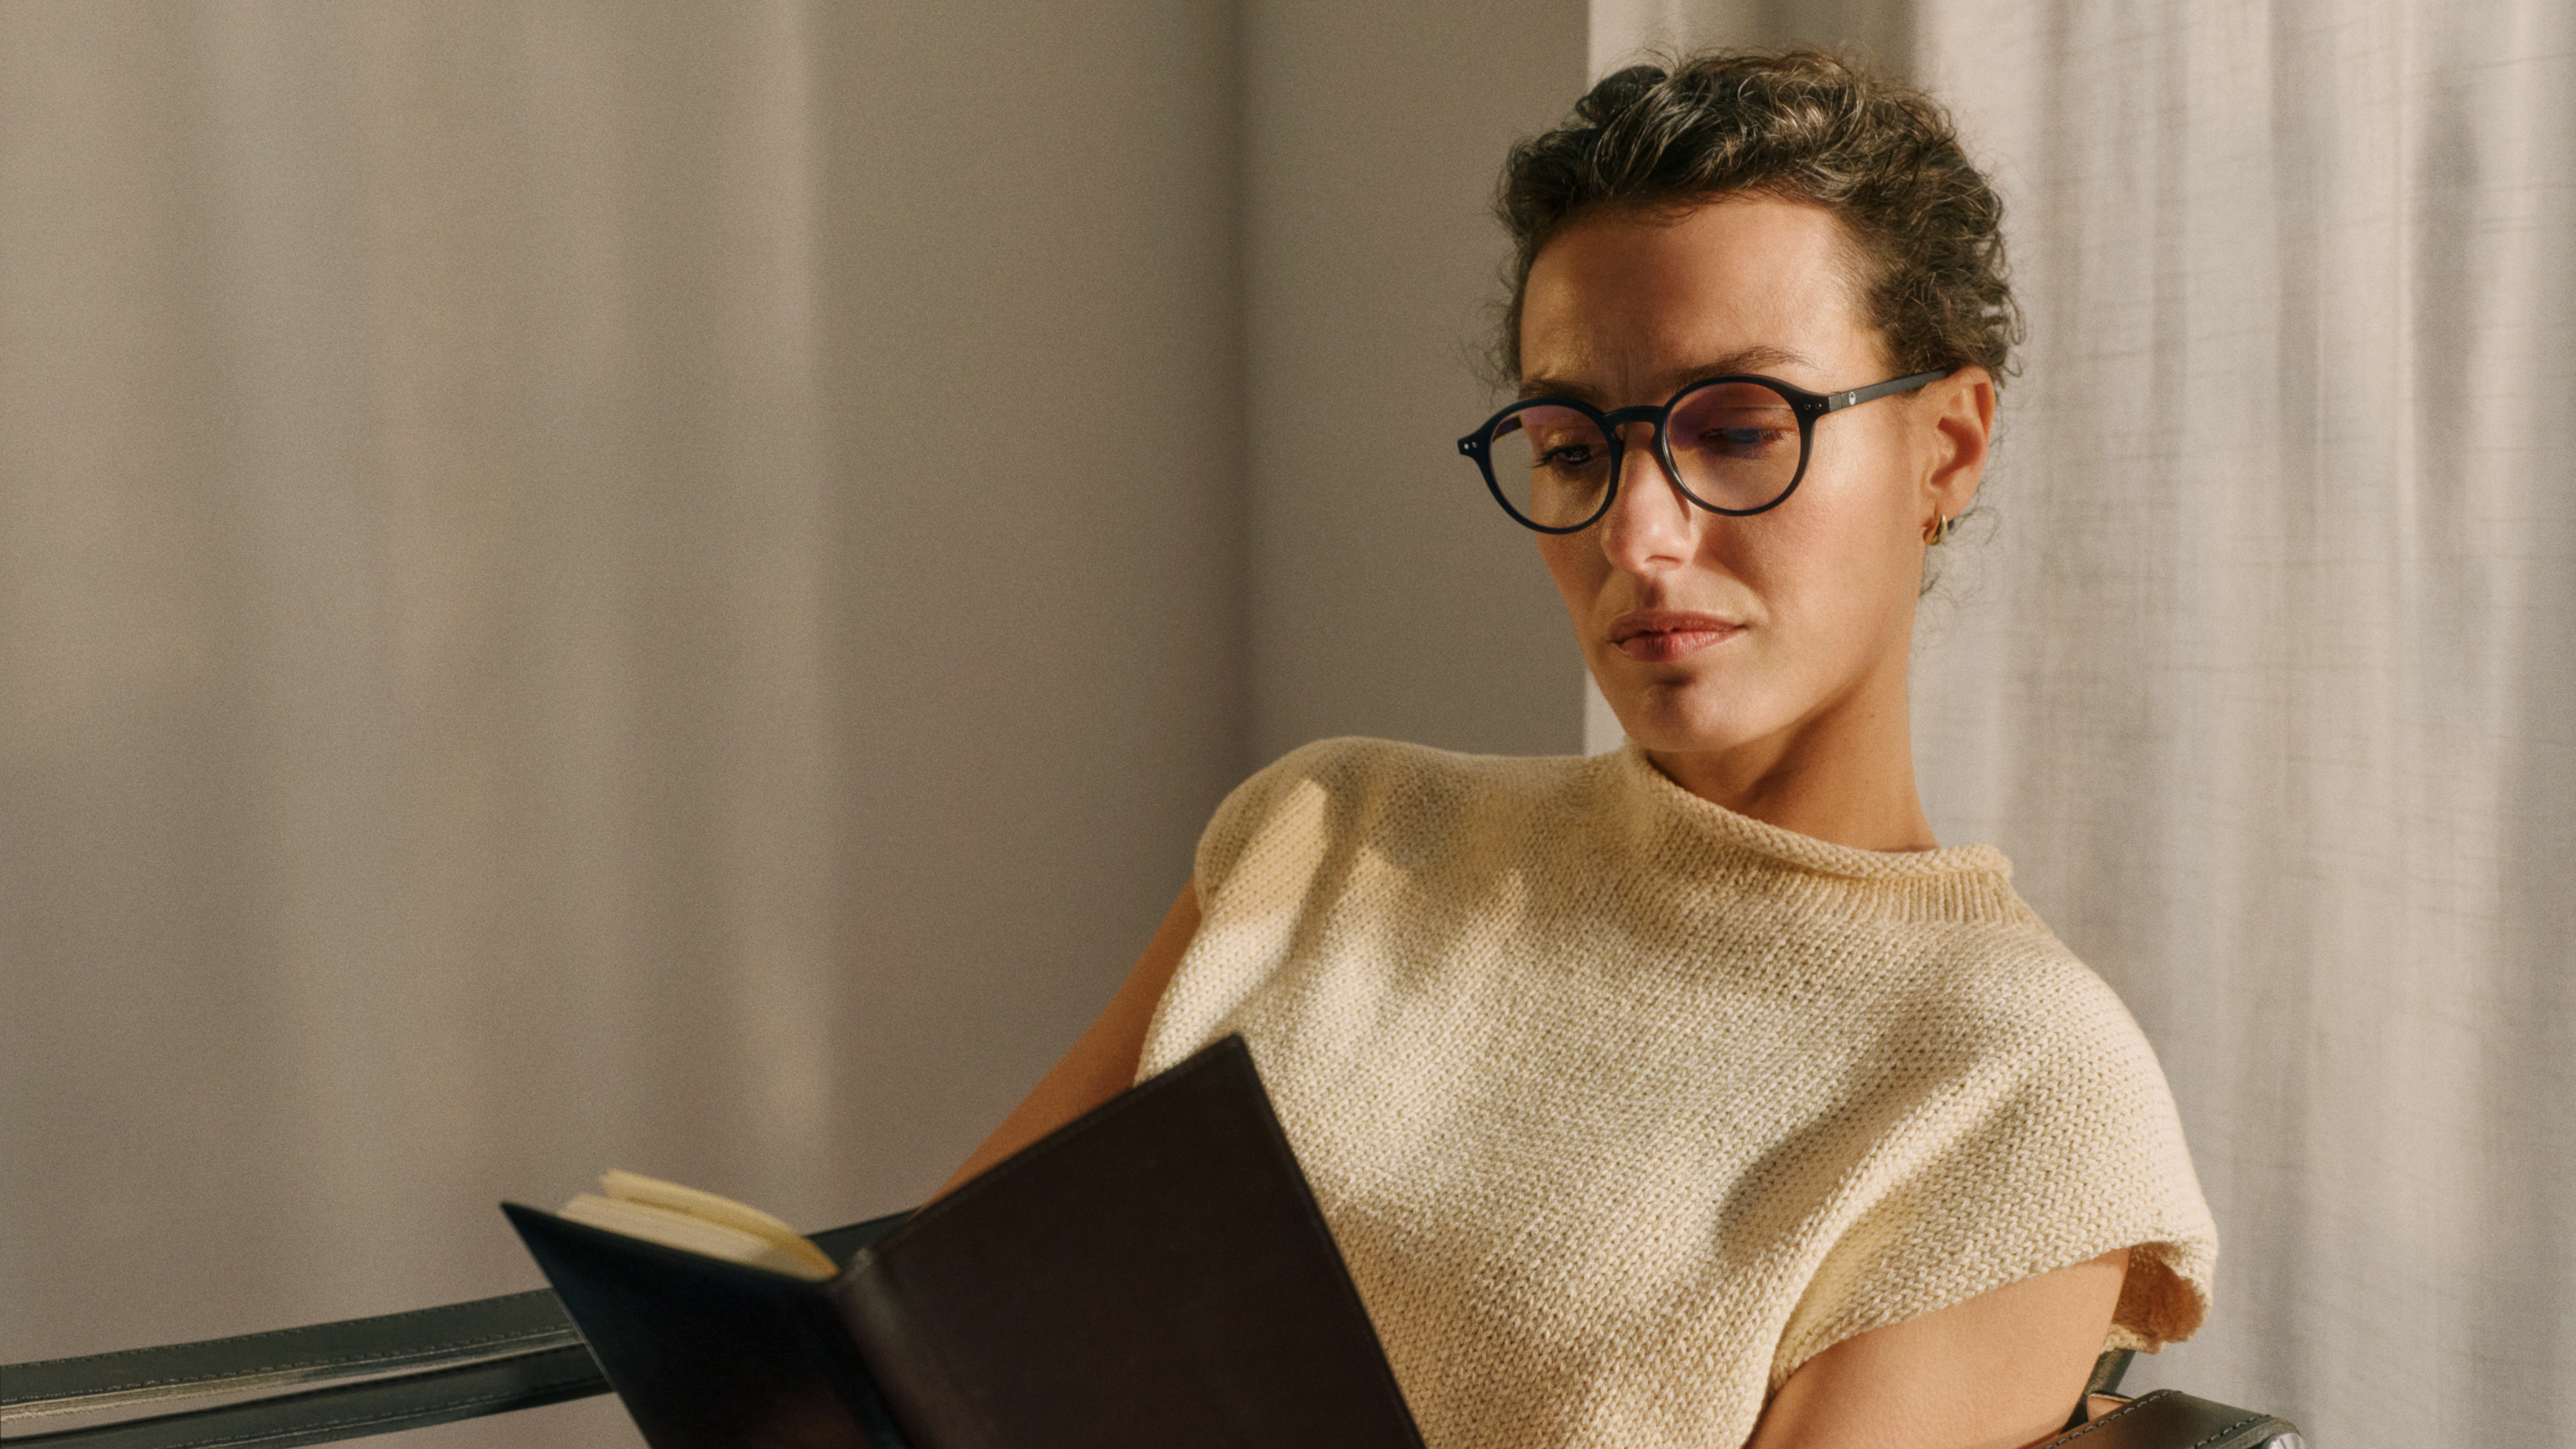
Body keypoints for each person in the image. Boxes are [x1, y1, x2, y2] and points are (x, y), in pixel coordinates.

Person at [941, 49, 2216, 1449]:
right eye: (1571, 447)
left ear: (1949, 448)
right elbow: (918, 1335)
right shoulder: (1331, 837)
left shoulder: (2018, 1087)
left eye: (1739, 428)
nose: (1635, 535)